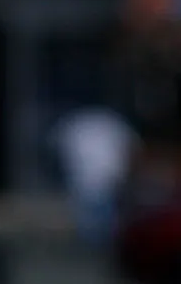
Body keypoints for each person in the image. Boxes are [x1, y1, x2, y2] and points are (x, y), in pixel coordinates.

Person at [53, 102, 134, 248]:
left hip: (105, 183)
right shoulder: (75, 123)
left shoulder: (111, 122)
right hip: (89, 184)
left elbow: (129, 151)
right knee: (91, 221)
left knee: (102, 221)